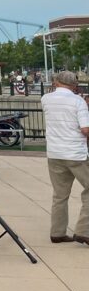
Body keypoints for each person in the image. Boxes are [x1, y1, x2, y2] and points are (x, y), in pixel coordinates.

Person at [41, 71, 89, 245]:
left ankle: (57, 232)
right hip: (76, 154)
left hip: (54, 153)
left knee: (60, 195)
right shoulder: (78, 102)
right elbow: (85, 129)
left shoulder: (45, 99)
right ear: (75, 85)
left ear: (56, 82)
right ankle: (84, 230)